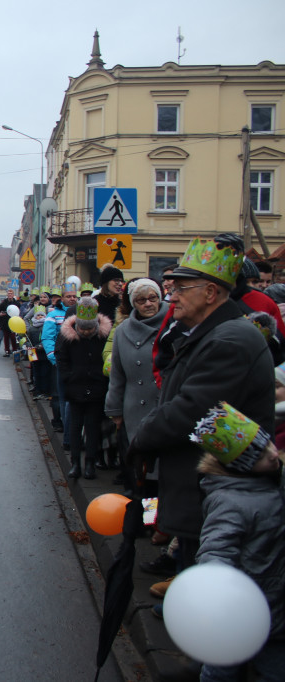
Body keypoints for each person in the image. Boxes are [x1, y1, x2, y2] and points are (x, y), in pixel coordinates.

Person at [132, 234, 274, 571]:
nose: (171, 296)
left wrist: (142, 440)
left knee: (207, 584)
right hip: (201, 489)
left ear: (210, 293)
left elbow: (192, 410)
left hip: (216, 494)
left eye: (181, 288)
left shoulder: (230, 340)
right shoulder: (211, 333)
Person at [189, 403, 284, 681]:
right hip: (241, 611)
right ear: (243, 466)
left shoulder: (272, 482)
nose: (274, 453)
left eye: (269, 444)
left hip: (276, 603)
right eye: (263, 454)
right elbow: (215, 550)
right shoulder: (231, 503)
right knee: (221, 668)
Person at [104, 278, 168, 494]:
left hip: (165, 409)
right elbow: (117, 375)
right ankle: (143, 518)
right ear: (133, 303)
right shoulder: (123, 331)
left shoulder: (174, 325)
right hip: (134, 411)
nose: (148, 304)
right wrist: (115, 411)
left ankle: (156, 522)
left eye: (153, 298)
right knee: (140, 473)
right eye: (141, 300)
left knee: (162, 472)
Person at [55, 297, 112, 479]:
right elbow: (61, 357)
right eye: (82, 328)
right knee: (75, 425)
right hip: (75, 386)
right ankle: (75, 463)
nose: (86, 332)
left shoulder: (103, 337)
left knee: (93, 427)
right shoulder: (68, 337)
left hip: (97, 386)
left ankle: (90, 463)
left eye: (89, 329)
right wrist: (68, 377)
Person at [43, 282, 78, 440]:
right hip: (60, 360)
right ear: (62, 298)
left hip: (76, 361)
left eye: (74, 296)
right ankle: (63, 427)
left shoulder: (78, 312)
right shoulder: (53, 315)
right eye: (68, 296)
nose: (72, 299)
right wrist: (53, 357)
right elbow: (48, 337)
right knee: (60, 396)